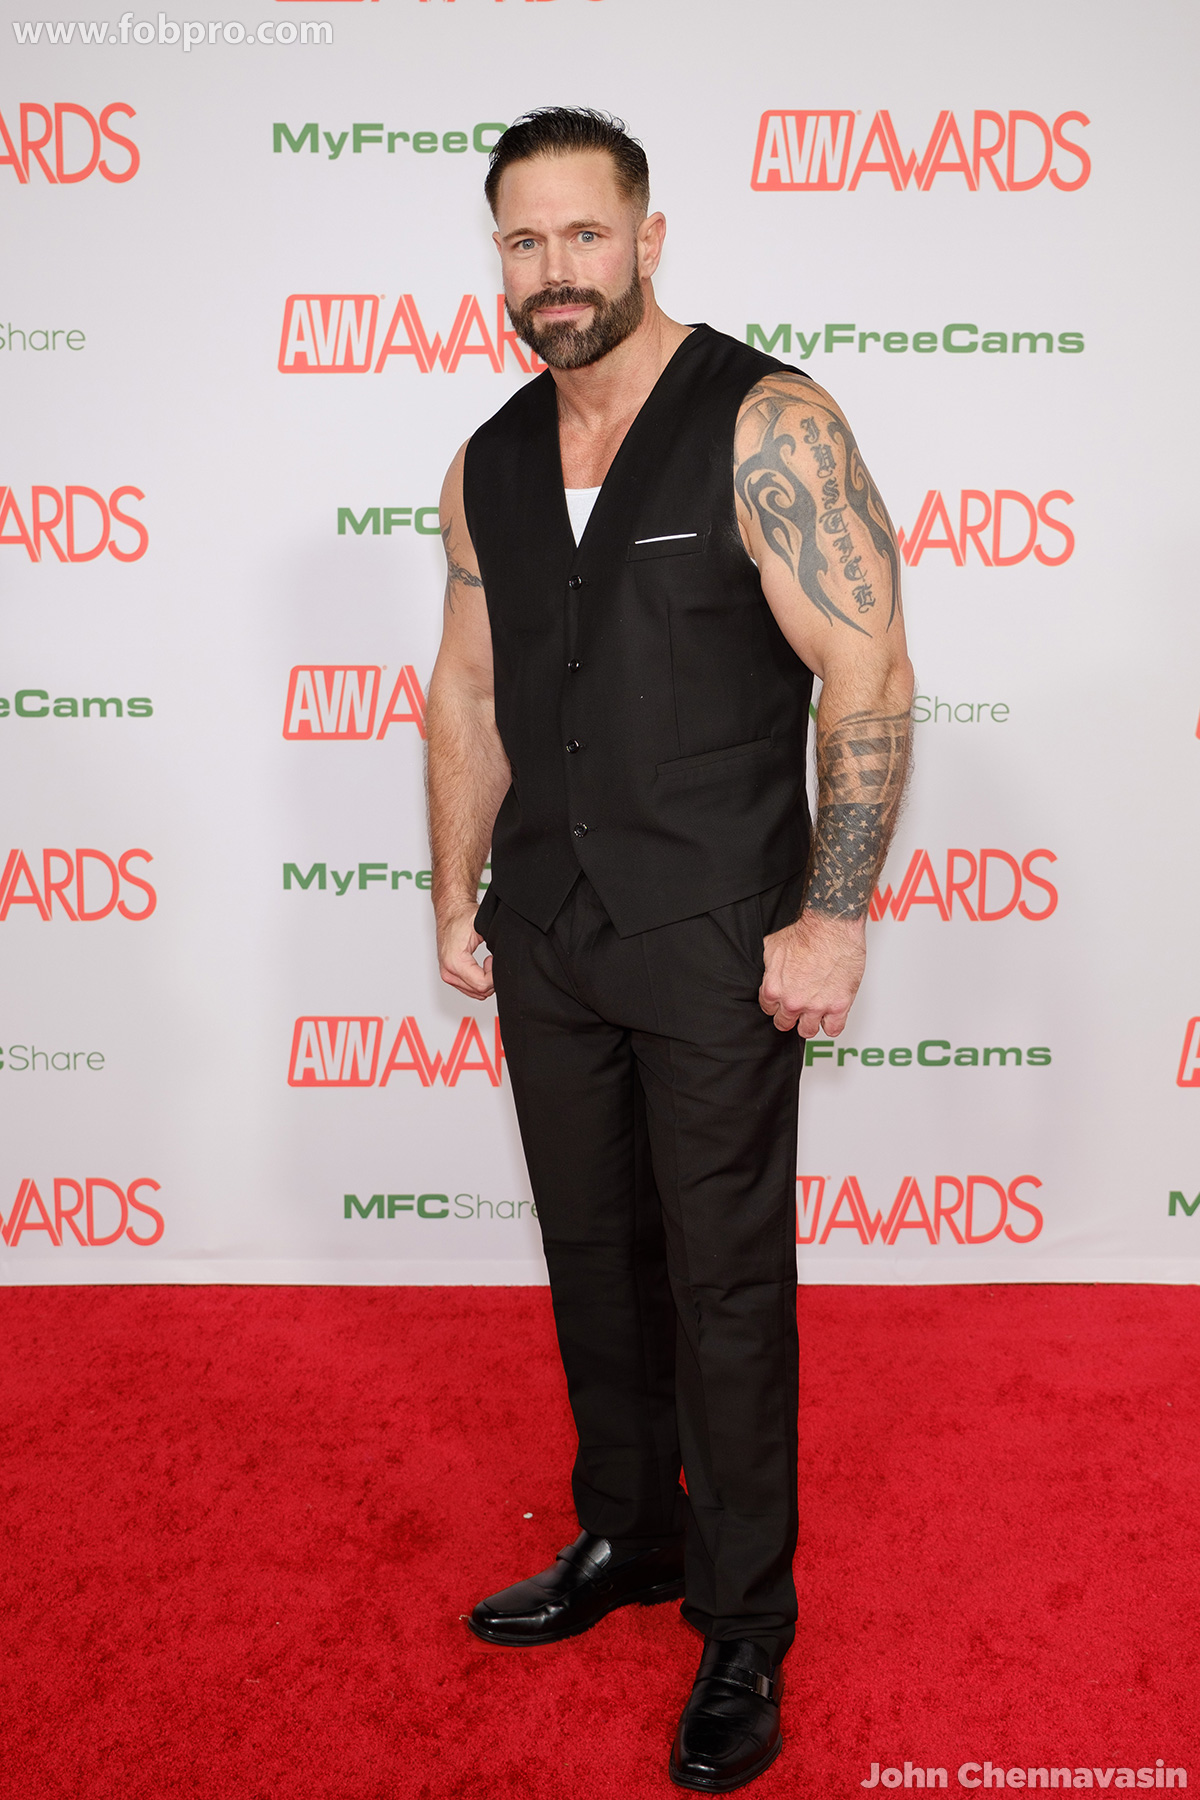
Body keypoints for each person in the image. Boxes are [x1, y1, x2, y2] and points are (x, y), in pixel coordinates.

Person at [426, 107, 913, 1794]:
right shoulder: (488, 458)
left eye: (583, 234)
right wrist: (454, 891)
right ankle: (628, 1533)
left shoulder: (768, 421)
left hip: (717, 930)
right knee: (592, 1254)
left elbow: (867, 671)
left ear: (647, 238)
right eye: (523, 241)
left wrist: (833, 913)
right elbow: (468, 690)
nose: (554, 270)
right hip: (550, 929)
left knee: (723, 1286)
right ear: (498, 259)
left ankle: (745, 1621)